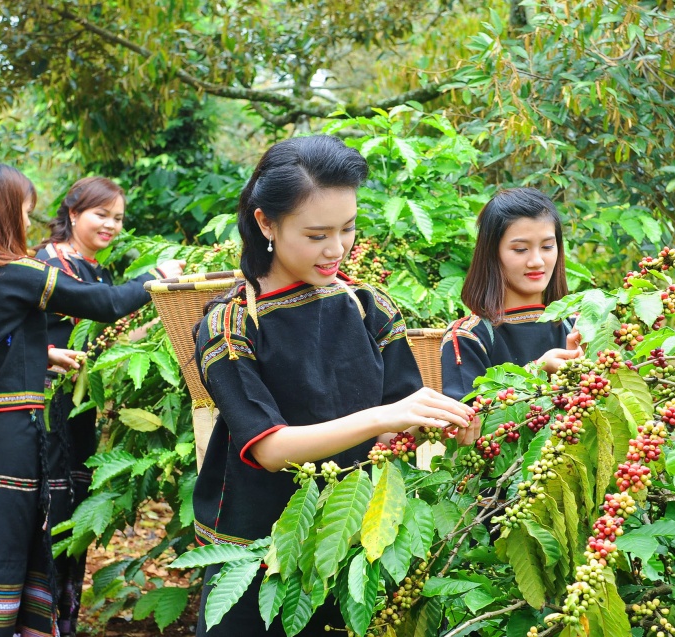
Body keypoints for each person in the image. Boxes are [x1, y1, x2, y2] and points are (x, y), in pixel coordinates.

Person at [191, 135, 479, 636]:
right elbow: (271, 449)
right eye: (317, 234)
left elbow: (393, 429)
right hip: (257, 551)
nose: (337, 248)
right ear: (266, 223)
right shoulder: (231, 325)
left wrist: (443, 422)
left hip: (356, 544)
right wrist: (383, 417)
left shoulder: (370, 306)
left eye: (348, 228)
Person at [0, 161, 175, 637]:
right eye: (24, 211)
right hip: (12, 433)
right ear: (4, 212)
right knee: (10, 540)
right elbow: (106, 305)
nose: (27, 222)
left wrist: (42, 354)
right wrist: (157, 275)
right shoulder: (19, 271)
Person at [35, 176, 183, 637]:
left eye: (118, 218)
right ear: (73, 213)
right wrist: (154, 278)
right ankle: (33, 620)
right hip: (44, 404)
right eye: (101, 214)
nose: (111, 225)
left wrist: (166, 320)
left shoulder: (97, 271)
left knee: (75, 504)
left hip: (81, 407)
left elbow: (110, 336)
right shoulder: (45, 265)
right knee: (50, 506)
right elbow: (107, 307)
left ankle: (63, 620)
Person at [441, 187, 582, 403]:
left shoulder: (577, 326)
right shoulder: (468, 336)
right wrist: (535, 371)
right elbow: (466, 417)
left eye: (547, 247)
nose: (537, 261)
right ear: (491, 254)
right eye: (520, 249)